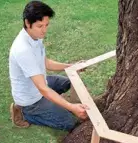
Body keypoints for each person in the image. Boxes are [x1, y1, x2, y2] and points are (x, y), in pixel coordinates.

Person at [9, 1, 88, 130]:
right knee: (69, 122)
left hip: (41, 82)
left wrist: (71, 66)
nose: (44, 30)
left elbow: (45, 62)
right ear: (27, 23)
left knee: (70, 82)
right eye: (40, 26)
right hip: (31, 100)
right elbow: (43, 89)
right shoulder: (23, 50)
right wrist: (72, 107)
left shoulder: (35, 36)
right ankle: (23, 112)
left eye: (46, 25)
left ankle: (53, 104)